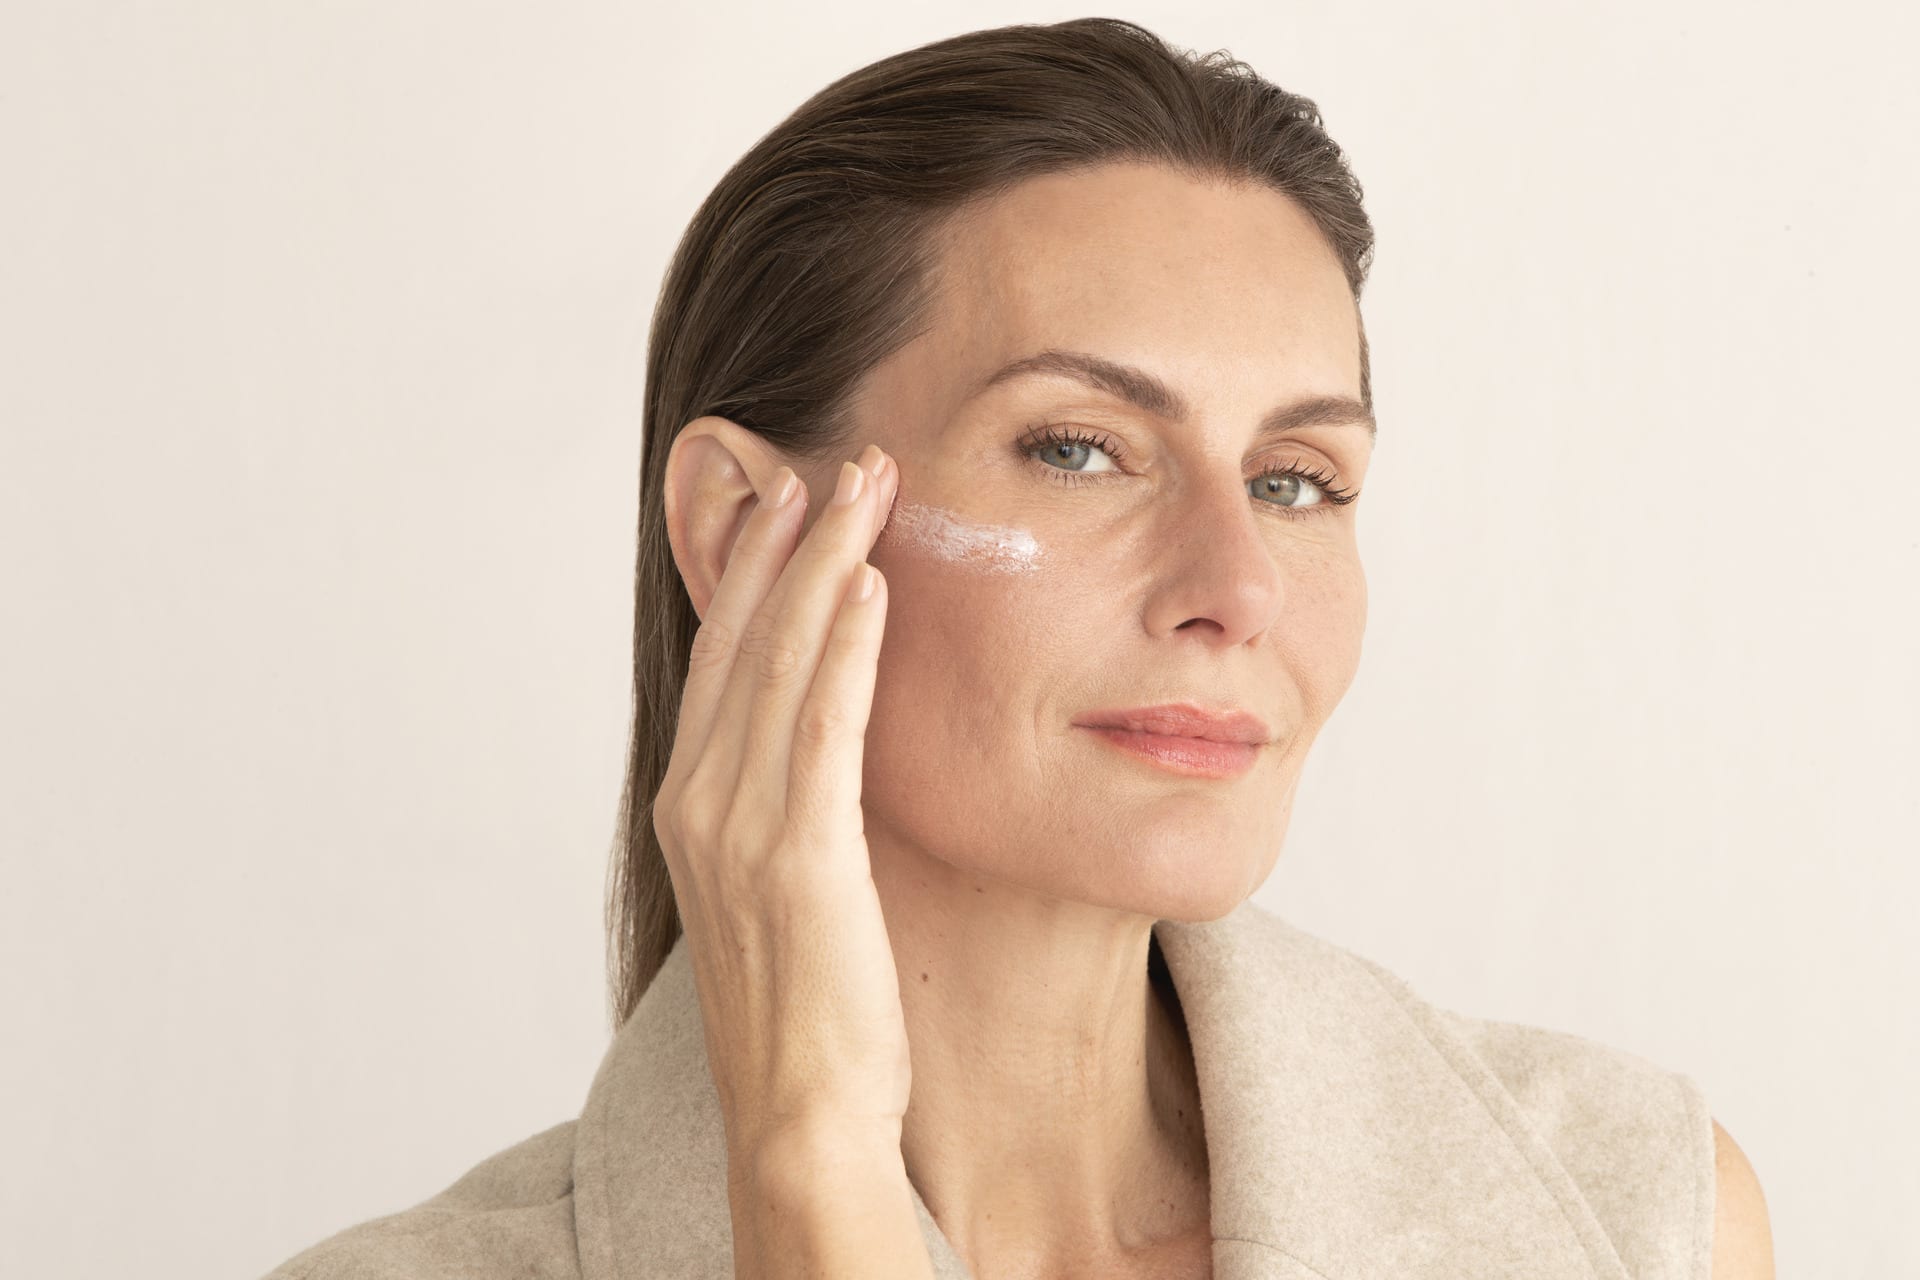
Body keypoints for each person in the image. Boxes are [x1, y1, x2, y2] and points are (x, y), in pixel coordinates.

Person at [264, 17, 1774, 1280]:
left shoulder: (1642, 1218)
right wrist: (810, 1173)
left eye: (1296, 479)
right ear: (741, 534)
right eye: (1078, 449)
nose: (1236, 586)